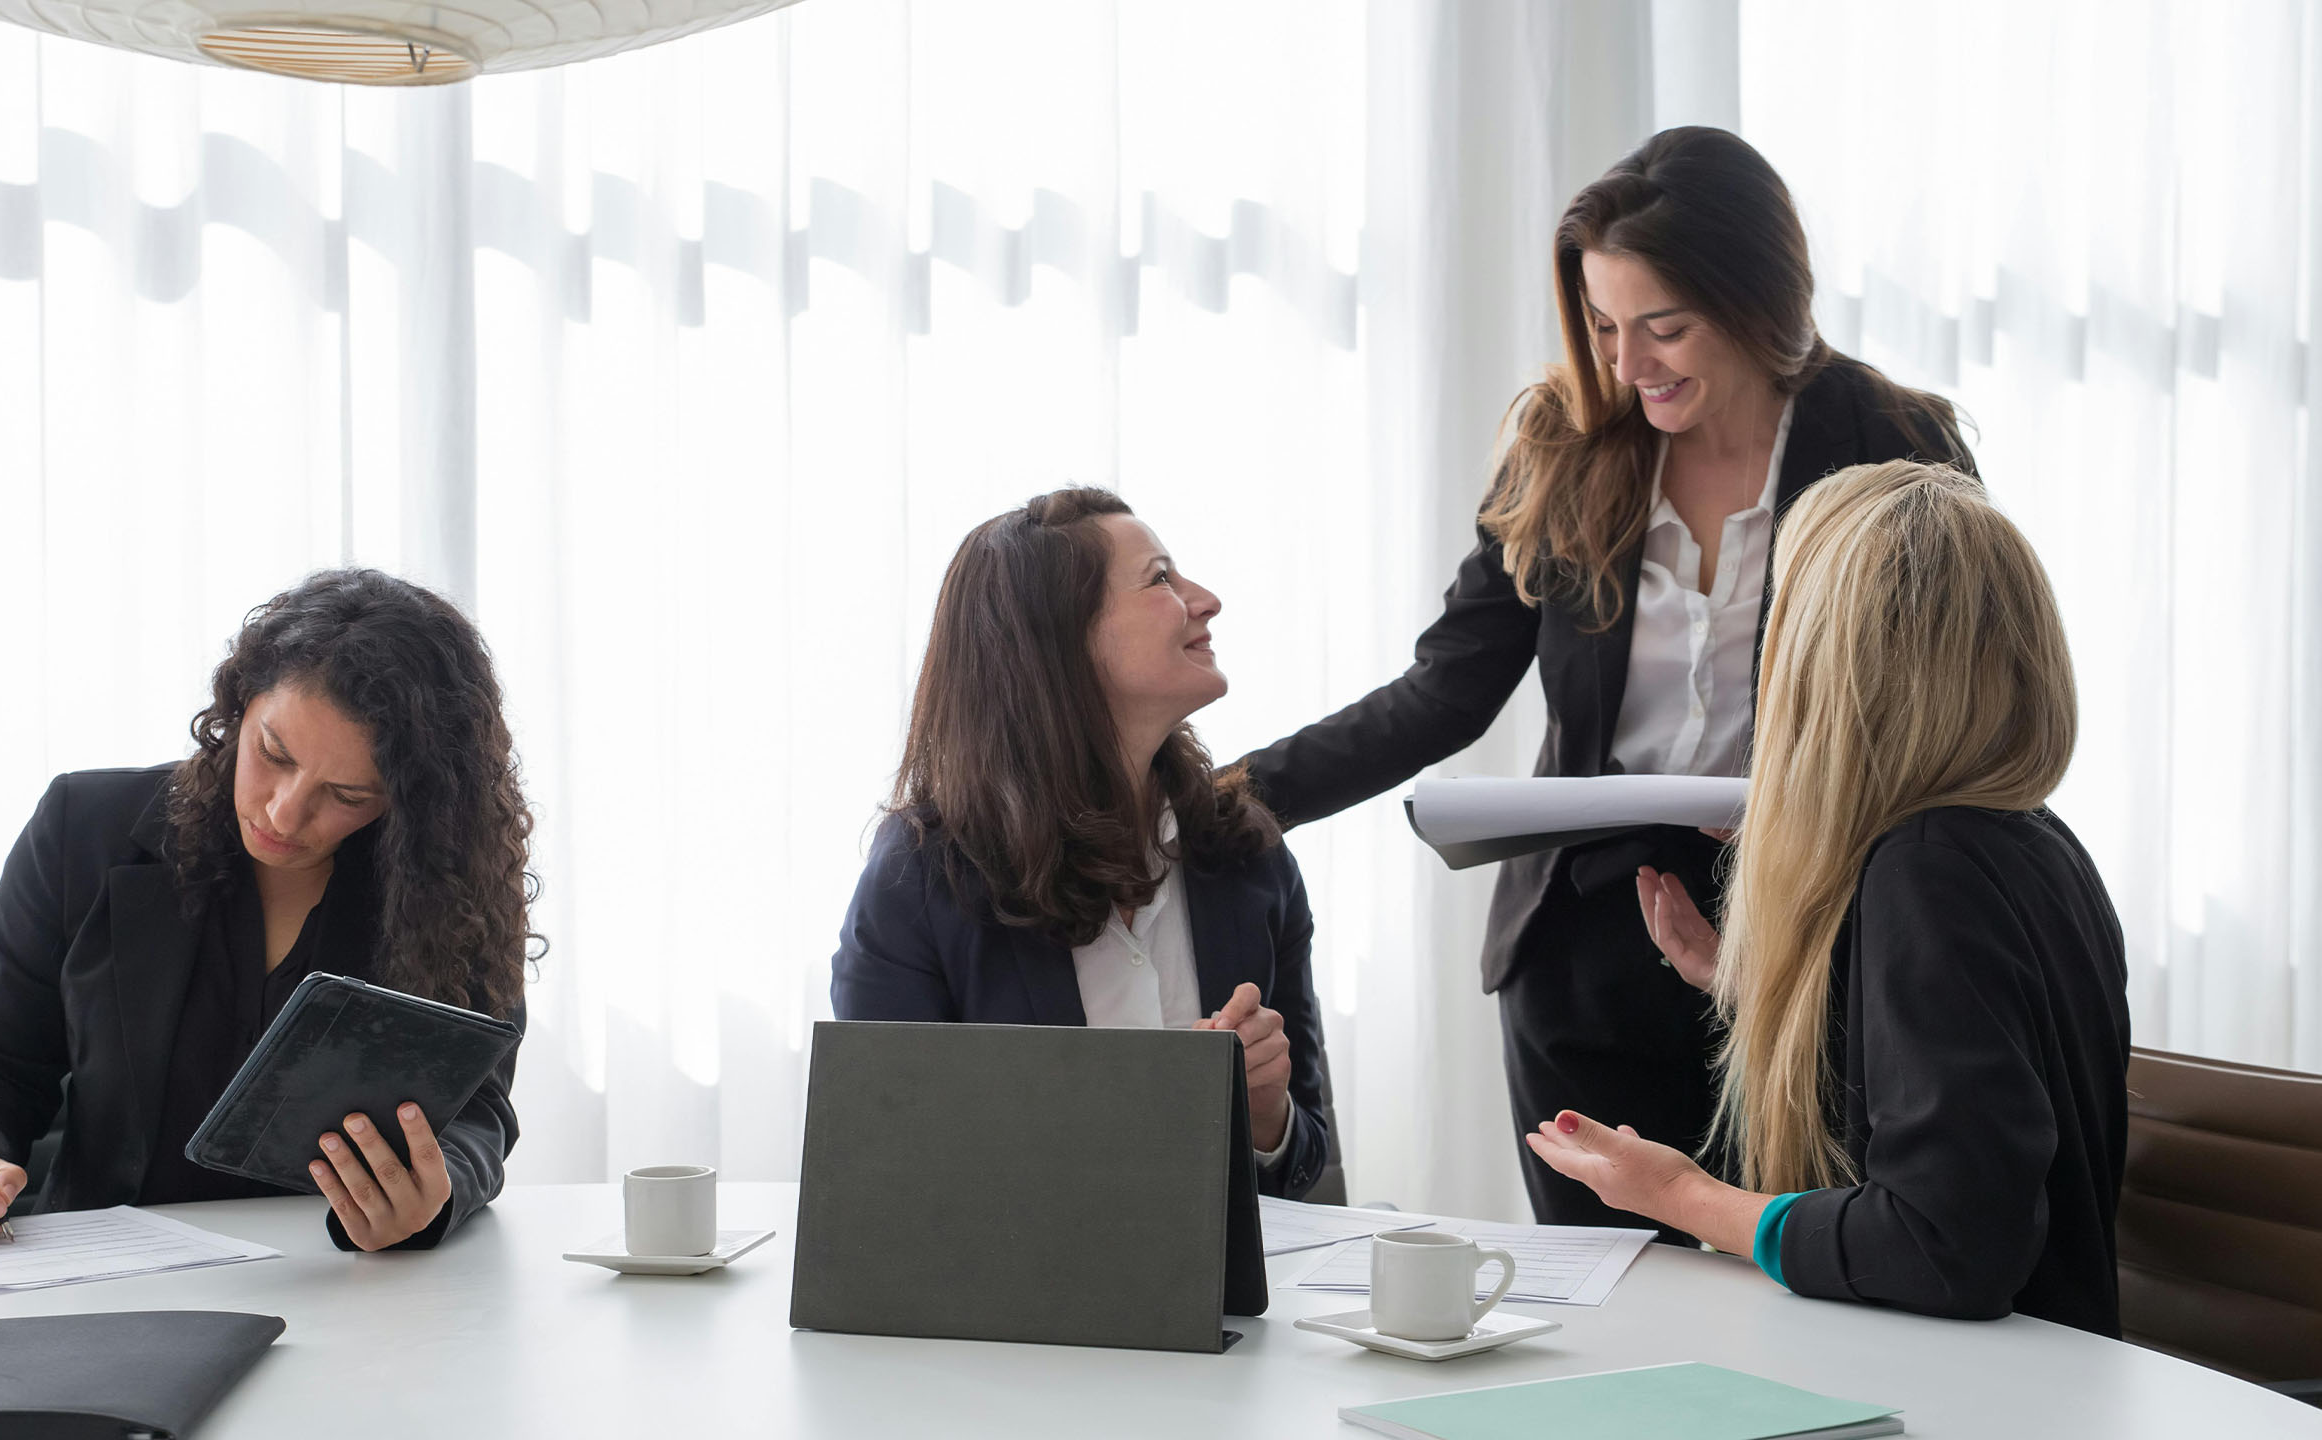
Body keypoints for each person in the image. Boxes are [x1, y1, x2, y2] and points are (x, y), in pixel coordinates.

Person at [1233, 127, 1974, 1237]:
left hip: (1799, 932)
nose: (1629, 365)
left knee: (1794, 1269)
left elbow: (1947, 710)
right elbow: (1446, 687)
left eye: (1663, 326)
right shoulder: (1565, 446)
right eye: (1602, 324)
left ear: (1756, 299)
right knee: (1603, 1294)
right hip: (1580, 944)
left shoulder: (1895, 445)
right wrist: (1236, 796)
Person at [1526, 461, 2129, 1336]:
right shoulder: (2030, 839)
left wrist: (1683, 1196)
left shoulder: (1928, 872)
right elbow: (1968, 1086)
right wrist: (1763, 985)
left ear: (1830, 660)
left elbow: (1943, 1242)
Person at [0, 569, 537, 1252]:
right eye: (272, 754)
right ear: (239, 706)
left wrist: (435, 1191)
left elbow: (475, 1103)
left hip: (341, 1276)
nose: (284, 813)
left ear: (406, 801)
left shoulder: (449, 883)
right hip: (102, 1280)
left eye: (346, 794)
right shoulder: (83, 830)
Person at [832, 487, 1335, 1199]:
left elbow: (1302, 1162)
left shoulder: (1248, 855)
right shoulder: (922, 874)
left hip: (1231, 1309)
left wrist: (1266, 1116)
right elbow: (879, 1168)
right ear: (1059, 640)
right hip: (1005, 1306)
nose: (1207, 600)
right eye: (1161, 578)